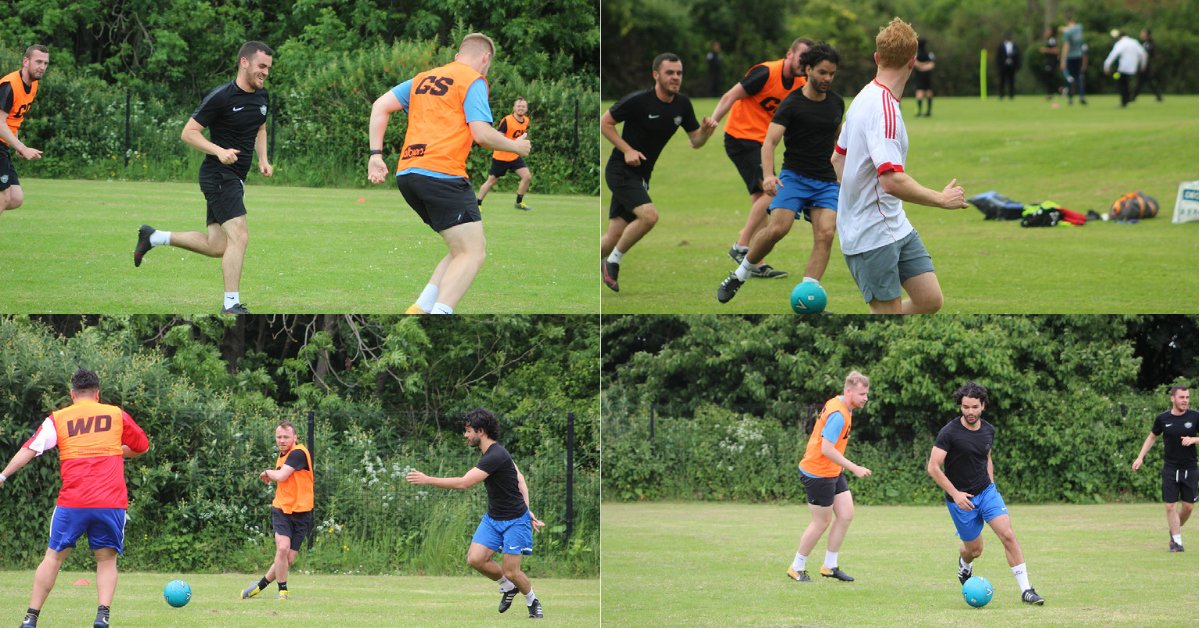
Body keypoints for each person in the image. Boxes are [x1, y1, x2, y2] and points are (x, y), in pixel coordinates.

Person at [367, 34, 529, 315]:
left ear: (457, 56)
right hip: (441, 174)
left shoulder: (422, 79)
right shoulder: (473, 80)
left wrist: (375, 155)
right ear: (485, 58)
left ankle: (420, 308)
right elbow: (481, 134)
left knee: (461, 249)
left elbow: (379, 106)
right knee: (472, 252)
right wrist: (516, 146)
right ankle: (441, 313)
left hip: (408, 175)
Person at [830, 17, 968, 315]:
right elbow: (891, 180)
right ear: (912, 62)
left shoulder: (863, 97)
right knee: (887, 315)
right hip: (871, 235)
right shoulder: (883, 110)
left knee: (929, 300)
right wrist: (941, 199)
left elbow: (837, 159)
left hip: (896, 225)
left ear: (877, 58)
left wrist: (855, 199)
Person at [0, 368, 150, 628]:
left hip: (73, 502)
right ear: (97, 394)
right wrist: (114, 450)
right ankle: (102, 616)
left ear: (72, 394)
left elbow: (30, 448)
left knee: (53, 558)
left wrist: (3, 475)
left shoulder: (59, 418)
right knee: (106, 560)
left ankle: (30, 617)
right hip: (110, 502)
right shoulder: (115, 414)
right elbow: (142, 446)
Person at [133, 41, 273, 314]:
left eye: (268, 68)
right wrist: (219, 151)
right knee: (240, 236)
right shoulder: (221, 96)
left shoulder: (262, 97)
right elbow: (188, 133)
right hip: (218, 175)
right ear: (244, 62)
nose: (265, 72)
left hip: (235, 178)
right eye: (261, 66)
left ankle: (154, 237)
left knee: (217, 245)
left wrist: (263, 159)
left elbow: (260, 128)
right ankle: (231, 304)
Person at [717, 44, 843, 304]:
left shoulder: (836, 103)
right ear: (808, 69)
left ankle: (808, 293)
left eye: (832, 74)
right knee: (777, 229)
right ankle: (741, 274)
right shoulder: (792, 103)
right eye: (822, 72)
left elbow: (838, 140)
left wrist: (841, 176)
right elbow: (769, 142)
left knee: (826, 234)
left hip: (826, 181)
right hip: (794, 177)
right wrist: (768, 176)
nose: (827, 79)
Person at [406, 408, 546, 619]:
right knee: (475, 559)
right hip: (493, 518)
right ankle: (508, 587)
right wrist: (527, 508)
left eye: (468, 431)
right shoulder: (493, 454)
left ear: (481, 431)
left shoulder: (496, 455)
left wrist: (427, 480)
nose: (466, 435)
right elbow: (520, 479)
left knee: (512, 571)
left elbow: (464, 483)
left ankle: (532, 601)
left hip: (515, 521)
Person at [600, 53, 717, 292]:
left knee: (613, 236)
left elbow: (695, 141)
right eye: (669, 73)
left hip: (641, 176)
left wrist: (705, 133)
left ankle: (585, 263)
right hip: (621, 171)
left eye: (679, 73)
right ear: (656, 75)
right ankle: (612, 262)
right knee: (649, 216)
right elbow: (605, 123)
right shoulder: (638, 101)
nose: (675, 77)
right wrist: (627, 150)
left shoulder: (682, 105)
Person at [926, 381, 1045, 606]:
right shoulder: (949, 432)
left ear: (983, 406)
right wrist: (956, 494)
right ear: (960, 406)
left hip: (987, 492)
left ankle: (1026, 590)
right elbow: (933, 467)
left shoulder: (988, 430)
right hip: (961, 500)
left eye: (974, 407)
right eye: (965, 407)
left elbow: (986, 457)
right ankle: (965, 563)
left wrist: (991, 485)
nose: (970, 411)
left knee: (1008, 535)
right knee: (975, 549)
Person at [709, 38, 812, 279]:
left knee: (762, 200)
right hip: (741, 137)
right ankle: (741, 246)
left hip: (762, 143)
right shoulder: (766, 72)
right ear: (789, 54)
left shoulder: (800, 84)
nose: (804, 63)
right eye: (801, 57)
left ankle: (754, 261)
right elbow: (729, 96)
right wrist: (713, 121)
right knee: (772, 192)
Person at [787, 371, 871, 583]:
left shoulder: (843, 405)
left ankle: (829, 566)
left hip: (833, 470)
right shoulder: (838, 414)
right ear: (848, 391)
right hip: (818, 473)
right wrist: (854, 467)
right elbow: (826, 449)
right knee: (821, 521)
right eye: (862, 394)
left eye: (866, 394)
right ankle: (796, 567)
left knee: (846, 514)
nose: (866, 398)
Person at [241, 420, 314, 601]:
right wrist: (270, 473)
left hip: (302, 512)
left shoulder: (298, 453)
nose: (282, 440)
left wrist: (267, 472)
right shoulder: (283, 456)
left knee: (288, 559)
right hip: (282, 509)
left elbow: (281, 476)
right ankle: (282, 591)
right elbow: (282, 478)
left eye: (286, 437)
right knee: (282, 549)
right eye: (279, 437)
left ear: (295, 437)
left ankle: (258, 586)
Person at [1132, 386, 1198, 552]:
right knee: (1170, 506)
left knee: (1188, 507)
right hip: (1170, 468)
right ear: (1172, 398)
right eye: (1182, 397)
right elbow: (1152, 437)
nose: (1185, 400)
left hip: (1190, 469)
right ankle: (1176, 541)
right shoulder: (1162, 419)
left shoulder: (1195, 416)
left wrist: (1194, 440)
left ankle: (1174, 529)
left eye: (1187, 397)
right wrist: (1140, 457)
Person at [0, 45, 49, 220]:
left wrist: (16, 145)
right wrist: (22, 148)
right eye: (38, 62)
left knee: (15, 198)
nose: (42, 67)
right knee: (4, 197)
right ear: (26, 61)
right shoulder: (9, 85)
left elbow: (13, 118)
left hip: (4, 144)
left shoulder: (33, 85)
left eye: (45, 63)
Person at [476, 97, 534, 210]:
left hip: (514, 155)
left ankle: (519, 203)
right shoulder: (507, 120)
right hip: (501, 157)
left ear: (526, 109)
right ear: (514, 108)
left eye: (523, 106)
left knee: (527, 176)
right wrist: (511, 145)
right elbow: (499, 137)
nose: (521, 108)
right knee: (491, 181)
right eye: (518, 106)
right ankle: (477, 204)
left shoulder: (526, 120)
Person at [1102, 29, 1147, 108]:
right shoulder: (1134, 42)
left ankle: (1124, 102)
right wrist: (1143, 64)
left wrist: (1106, 65)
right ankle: (1127, 100)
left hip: (1123, 67)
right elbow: (1143, 53)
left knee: (1122, 85)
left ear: (1119, 36)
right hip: (1133, 67)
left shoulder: (1120, 43)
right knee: (1127, 84)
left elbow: (1113, 55)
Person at [1059, 13, 1087, 105]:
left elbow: (1066, 46)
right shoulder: (1079, 28)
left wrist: (1063, 60)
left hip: (1070, 57)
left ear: (1067, 21)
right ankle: (1082, 96)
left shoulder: (1068, 33)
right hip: (1079, 56)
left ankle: (1070, 98)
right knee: (1079, 77)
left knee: (1069, 78)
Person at [1133, 28, 1163, 102]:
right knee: (1145, 82)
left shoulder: (1150, 44)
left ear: (1146, 35)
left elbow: (1147, 55)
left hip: (1146, 66)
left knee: (1142, 82)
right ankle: (1158, 96)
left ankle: (1133, 97)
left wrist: (1143, 65)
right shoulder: (1144, 43)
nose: (1141, 35)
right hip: (1144, 65)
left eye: (1142, 33)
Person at [1038, 27, 1061, 102]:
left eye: (1047, 31)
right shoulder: (1049, 40)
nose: (1045, 33)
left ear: (1050, 32)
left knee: (1050, 77)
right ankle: (1051, 93)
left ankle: (1058, 90)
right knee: (1049, 77)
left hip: (1052, 61)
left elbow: (1056, 50)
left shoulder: (1052, 40)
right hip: (1050, 61)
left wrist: (1045, 50)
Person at [913, 38, 935, 117]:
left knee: (919, 91)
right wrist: (926, 65)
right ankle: (928, 111)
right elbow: (932, 64)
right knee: (929, 91)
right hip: (928, 75)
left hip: (920, 75)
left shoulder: (916, 54)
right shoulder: (929, 54)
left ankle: (919, 111)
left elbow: (915, 63)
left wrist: (921, 67)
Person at [996, 33, 1021, 100]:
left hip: (1012, 66)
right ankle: (1001, 95)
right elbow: (998, 57)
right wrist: (999, 66)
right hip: (1003, 66)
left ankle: (1011, 95)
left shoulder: (1015, 46)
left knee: (1012, 81)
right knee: (1002, 81)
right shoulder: (1001, 46)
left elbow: (1018, 56)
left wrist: (1017, 66)